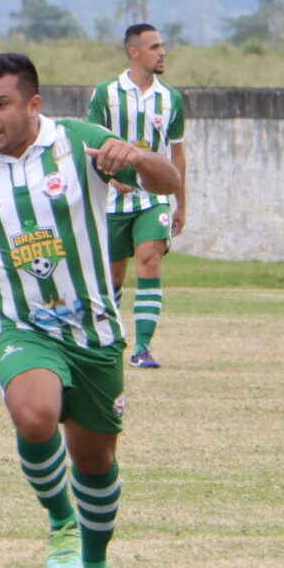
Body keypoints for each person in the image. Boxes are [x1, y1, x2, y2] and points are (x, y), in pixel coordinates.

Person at [0, 53, 181, 568]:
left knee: (94, 458)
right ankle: (61, 521)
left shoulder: (81, 142)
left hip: (94, 328)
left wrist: (135, 155)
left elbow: (169, 182)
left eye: (0, 104)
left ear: (33, 104)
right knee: (35, 413)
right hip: (19, 322)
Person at [85, 24, 190, 368]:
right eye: (155, 47)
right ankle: (110, 342)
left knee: (150, 261)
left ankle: (143, 348)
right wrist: (110, 177)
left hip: (153, 198)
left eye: (163, 46)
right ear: (134, 52)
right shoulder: (105, 93)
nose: (162, 53)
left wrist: (180, 203)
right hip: (113, 200)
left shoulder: (171, 98)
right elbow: (91, 144)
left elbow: (177, 156)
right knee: (113, 277)